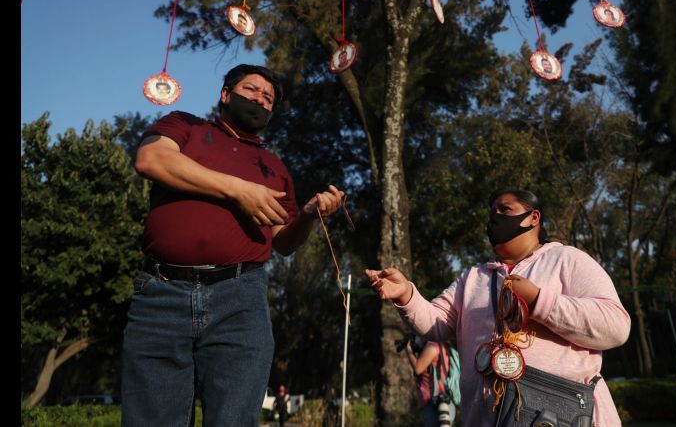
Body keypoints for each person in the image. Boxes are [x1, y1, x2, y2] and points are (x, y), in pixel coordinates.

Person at [121, 63, 346, 426]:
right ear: (226, 94)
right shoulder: (185, 126)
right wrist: (238, 190)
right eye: (251, 89)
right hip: (161, 294)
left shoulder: (275, 168)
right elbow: (151, 159)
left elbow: (283, 243)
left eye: (268, 98)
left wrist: (306, 216)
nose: (259, 99)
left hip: (240, 301)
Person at [366, 189, 630, 426]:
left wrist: (539, 301)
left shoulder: (567, 259)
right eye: (492, 212)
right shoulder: (472, 278)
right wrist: (406, 295)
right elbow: (435, 325)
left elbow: (616, 326)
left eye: (505, 210)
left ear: (534, 217)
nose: (495, 217)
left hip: (563, 417)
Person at [404, 335, 456, 427]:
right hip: (444, 402)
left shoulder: (433, 345)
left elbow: (418, 368)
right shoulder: (441, 343)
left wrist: (408, 350)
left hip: (434, 403)